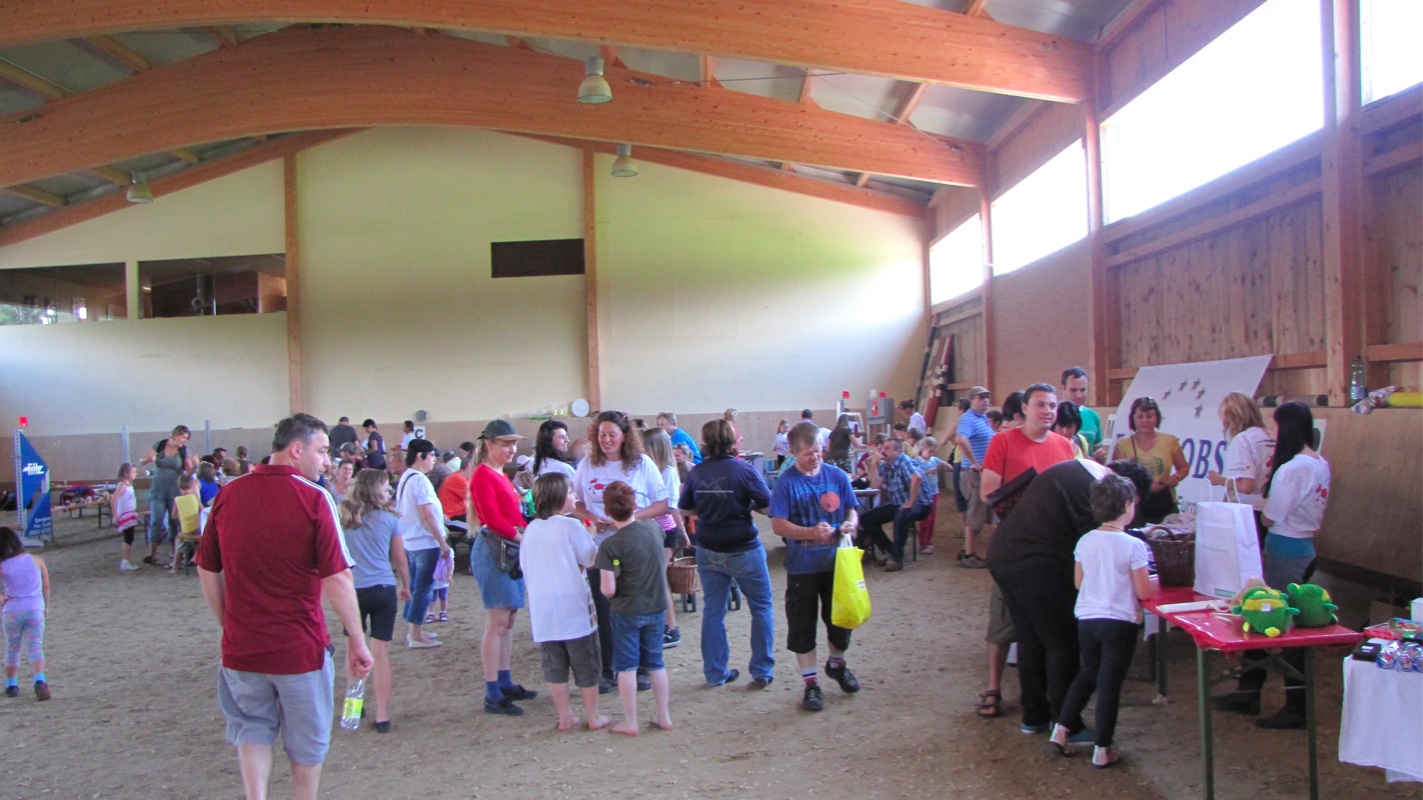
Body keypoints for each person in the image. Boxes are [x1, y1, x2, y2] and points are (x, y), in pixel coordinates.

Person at [194, 413, 373, 800]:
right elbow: (338, 577)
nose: (326, 461)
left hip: (242, 650)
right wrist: (358, 641)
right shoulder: (314, 498)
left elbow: (207, 567)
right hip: (299, 651)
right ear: (296, 449)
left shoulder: (229, 494)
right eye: (322, 451)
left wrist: (227, 622)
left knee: (251, 732)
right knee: (307, 746)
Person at [986, 457, 1151, 736]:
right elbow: (1104, 549)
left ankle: (1035, 716)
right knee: (1062, 643)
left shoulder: (1079, 468)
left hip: (1004, 555)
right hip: (1036, 563)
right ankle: (1067, 724)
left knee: (1031, 638)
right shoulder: (1096, 492)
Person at [1212, 401, 1330, 730]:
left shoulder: (1292, 469)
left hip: (1286, 550)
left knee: (1275, 623)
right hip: (1301, 547)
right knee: (1266, 618)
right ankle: (1250, 691)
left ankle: (1293, 706)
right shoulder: (1318, 462)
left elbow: (1271, 515)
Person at [977, 383, 1073, 720]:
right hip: (1015, 547)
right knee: (1003, 619)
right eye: (1040, 405)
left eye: (1052, 405)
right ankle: (993, 687)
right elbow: (988, 492)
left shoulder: (1065, 445)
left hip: (1053, 548)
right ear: (1026, 408)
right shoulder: (1003, 442)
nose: (1047, 411)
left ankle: (1042, 698)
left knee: (1044, 627)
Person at [1049, 473, 1154, 768]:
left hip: (1087, 618)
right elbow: (1143, 591)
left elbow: (1079, 582)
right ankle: (1103, 747)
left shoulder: (1085, 540)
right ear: (1127, 505)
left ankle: (1061, 728)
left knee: (1088, 673)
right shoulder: (1132, 545)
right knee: (1110, 683)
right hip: (1119, 621)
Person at [573, 410, 670, 693]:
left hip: (635, 547)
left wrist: (628, 519)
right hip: (601, 546)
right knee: (604, 607)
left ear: (625, 436)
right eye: (601, 435)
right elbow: (577, 502)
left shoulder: (641, 464)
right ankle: (608, 668)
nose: (606, 440)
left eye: (612, 434)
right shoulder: (588, 463)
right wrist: (591, 518)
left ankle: (641, 667)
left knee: (636, 605)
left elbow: (661, 504)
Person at [769, 421, 863, 712]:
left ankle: (837, 664)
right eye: (808, 453)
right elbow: (777, 524)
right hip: (803, 567)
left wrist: (850, 524)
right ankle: (810, 684)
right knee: (802, 626)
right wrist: (809, 533)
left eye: (819, 451)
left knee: (841, 621)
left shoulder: (837, 476)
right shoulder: (786, 483)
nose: (816, 457)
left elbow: (851, 508)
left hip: (837, 564)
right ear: (793, 452)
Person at [679, 419, 774, 688]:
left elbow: (686, 508)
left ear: (705, 442)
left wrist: (708, 509)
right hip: (743, 547)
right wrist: (747, 505)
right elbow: (769, 507)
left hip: (709, 548)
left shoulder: (696, 473)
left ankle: (715, 672)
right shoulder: (744, 471)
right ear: (733, 441)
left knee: (713, 610)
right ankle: (761, 670)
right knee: (761, 607)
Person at [519, 473, 610, 732]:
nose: (575, 496)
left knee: (555, 667)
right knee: (586, 664)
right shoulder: (571, 526)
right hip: (574, 609)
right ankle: (593, 716)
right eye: (571, 492)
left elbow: (526, 565)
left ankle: (565, 716)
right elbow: (590, 559)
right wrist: (590, 534)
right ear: (559, 497)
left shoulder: (531, 529)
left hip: (544, 611)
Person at [469, 419, 539, 716]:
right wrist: (524, 538)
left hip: (508, 549)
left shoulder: (498, 474)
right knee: (497, 622)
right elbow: (492, 518)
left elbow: (509, 515)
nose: (512, 449)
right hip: (496, 550)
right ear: (490, 444)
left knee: (507, 621)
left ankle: (503, 680)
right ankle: (492, 691)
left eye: (513, 444)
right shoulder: (483, 475)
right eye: (506, 444)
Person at [596, 482, 674, 735]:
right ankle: (663, 715)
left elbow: (608, 589)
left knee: (626, 666)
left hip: (626, 609)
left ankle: (631, 721)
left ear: (607, 511)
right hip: (656, 605)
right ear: (635, 505)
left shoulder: (610, 546)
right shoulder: (652, 528)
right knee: (655, 663)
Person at [339, 469, 411, 733]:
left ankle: (353, 707)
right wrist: (406, 585)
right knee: (380, 654)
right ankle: (382, 715)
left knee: (353, 650)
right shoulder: (390, 519)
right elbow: (400, 559)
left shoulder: (345, 520)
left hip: (353, 590)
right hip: (383, 587)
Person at [393, 439, 450, 649]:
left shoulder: (407, 477)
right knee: (423, 590)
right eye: (432, 456)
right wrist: (442, 542)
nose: (434, 460)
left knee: (416, 587)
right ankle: (416, 634)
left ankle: (414, 630)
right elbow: (427, 515)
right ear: (420, 456)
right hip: (425, 542)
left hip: (411, 541)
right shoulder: (420, 481)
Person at [1206, 392, 1275, 545]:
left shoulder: (1243, 439)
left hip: (1249, 511)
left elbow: (1245, 487)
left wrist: (1219, 480)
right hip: (1271, 510)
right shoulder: (1272, 435)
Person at [642, 427, 688, 649]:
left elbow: (671, 507)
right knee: (655, 579)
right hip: (652, 531)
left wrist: (682, 532)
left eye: (645, 447)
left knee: (660, 580)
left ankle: (671, 628)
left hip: (664, 531)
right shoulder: (652, 469)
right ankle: (661, 625)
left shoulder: (668, 471)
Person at [858, 438, 931, 572]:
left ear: (897, 451)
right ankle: (890, 550)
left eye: (887, 448)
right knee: (867, 518)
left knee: (901, 516)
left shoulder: (905, 461)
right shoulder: (885, 465)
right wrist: (873, 465)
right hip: (898, 504)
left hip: (921, 503)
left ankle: (897, 559)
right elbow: (875, 486)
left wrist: (911, 502)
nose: (883, 451)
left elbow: (916, 477)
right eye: (883, 448)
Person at [1115, 397, 1189, 524]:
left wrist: (1175, 478)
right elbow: (1118, 476)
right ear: (1133, 418)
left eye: (1149, 416)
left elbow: (1183, 467)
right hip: (1135, 506)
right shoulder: (1123, 444)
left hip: (1165, 503)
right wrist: (1146, 485)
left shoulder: (1169, 441)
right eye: (1140, 416)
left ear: (1157, 417)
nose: (1145, 421)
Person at [1, 526, 52, 701]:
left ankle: (11, 684)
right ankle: (39, 680)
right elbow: (46, 586)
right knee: (35, 646)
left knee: (12, 647)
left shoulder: (3, 565)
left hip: (12, 610)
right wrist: (46, 606)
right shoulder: (37, 560)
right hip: (35, 608)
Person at [140, 425, 196, 567]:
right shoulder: (160, 445)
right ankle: (152, 554)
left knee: (174, 522)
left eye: (186, 438)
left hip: (174, 492)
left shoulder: (183, 451)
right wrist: (148, 460)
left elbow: (188, 472)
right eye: (183, 437)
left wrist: (194, 466)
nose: (184, 440)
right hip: (158, 491)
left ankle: (173, 553)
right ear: (175, 435)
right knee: (156, 521)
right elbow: (143, 460)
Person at [953, 386, 994, 568]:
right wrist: (975, 462)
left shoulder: (981, 418)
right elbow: (960, 439)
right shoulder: (968, 418)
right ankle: (969, 554)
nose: (985, 400)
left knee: (977, 513)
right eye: (981, 397)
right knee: (975, 513)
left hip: (980, 472)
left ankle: (967, 549)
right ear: (971, 400)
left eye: (987, 396)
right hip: (974, 473)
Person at [914, 437, 944, 555]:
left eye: (933, 451)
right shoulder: (916, 461)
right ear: (922, 449)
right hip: (923, 493)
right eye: (930, 451)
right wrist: (927, 472)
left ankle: (927, 540)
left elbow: (945, 464)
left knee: (932, 518)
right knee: (926, 518)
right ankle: (923, 543)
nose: (932, 453)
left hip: (934, 491)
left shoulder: (934, 460)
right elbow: (915, 476)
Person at [1061, 367, 1103, 451]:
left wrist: (1099, 455)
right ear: (1062, 388)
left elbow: (1097, 448)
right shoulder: (1053, 415)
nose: (1079, 395)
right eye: (1073, 390)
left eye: (1083, 390)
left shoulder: (1093, 416)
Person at [111, 462, 141, 572]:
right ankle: (125, 561)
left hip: (130, 514)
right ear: (125, 474)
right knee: (128, 537)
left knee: (130, 537)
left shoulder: (129, 485)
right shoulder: (122, 486)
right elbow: (113, 500)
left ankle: (126, 560)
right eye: (133, 472)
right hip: (125, 515)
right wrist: (115, 515)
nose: (135, 474)